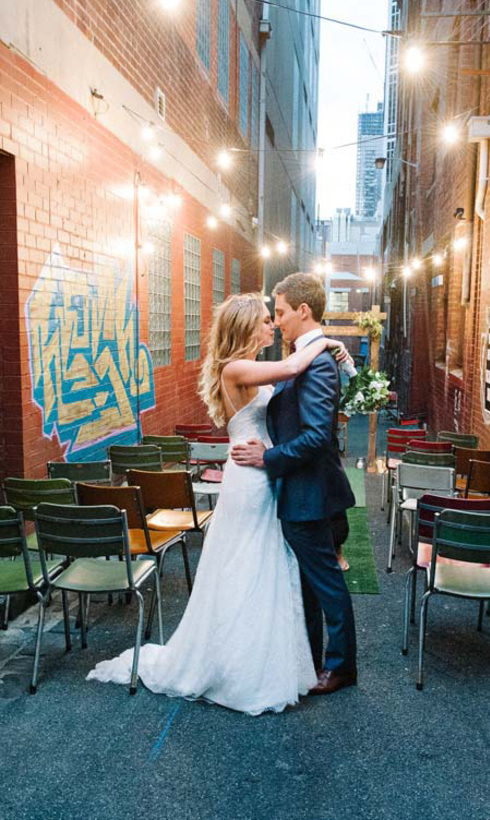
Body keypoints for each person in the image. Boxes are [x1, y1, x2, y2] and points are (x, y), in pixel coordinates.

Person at [87, 292, 352, 716]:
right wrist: (322, 342)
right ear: (246, 326)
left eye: (274, 317)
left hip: (262, 472)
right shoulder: (238, 367)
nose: (271, 325)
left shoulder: (247, 368)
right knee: (250, 564)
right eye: (265, 320)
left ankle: (263, 651)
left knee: (262, 565)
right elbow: (290, 368)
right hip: (252, 478)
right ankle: (242, 663)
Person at [232, 273, 357, 695]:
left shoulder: (317, 361)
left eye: (281, 312)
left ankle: (340, 667)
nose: (277, 320)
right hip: (299, 491)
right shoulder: (302, 355)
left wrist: (267, 458)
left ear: (303, 311)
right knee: (307, 582)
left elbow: (318, 435)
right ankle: (312, 659)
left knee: (324, 583)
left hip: (310, 494)